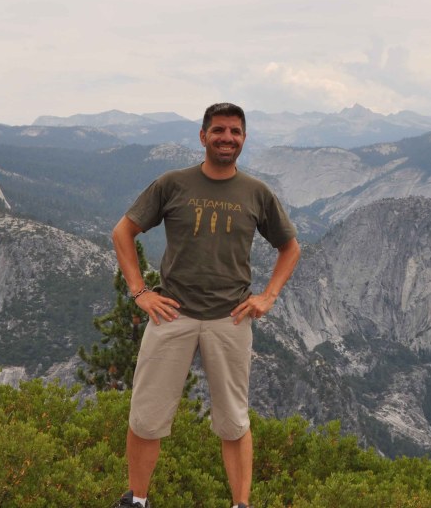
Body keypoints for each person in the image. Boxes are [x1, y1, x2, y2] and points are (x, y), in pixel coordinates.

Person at [110, 102, 301, 508]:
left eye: (234, 132)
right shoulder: (173, 184)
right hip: (171, 315)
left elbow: (290, 247)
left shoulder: (257, 193)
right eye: (218, 131)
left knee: (234, 422)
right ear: (203, 136)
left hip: (230, 320)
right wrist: (140, 292)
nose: (226, 138)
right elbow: (123, 232)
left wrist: (269, 296)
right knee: (146, 417)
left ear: (244, 139)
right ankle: (138, 501)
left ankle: (240, 504)